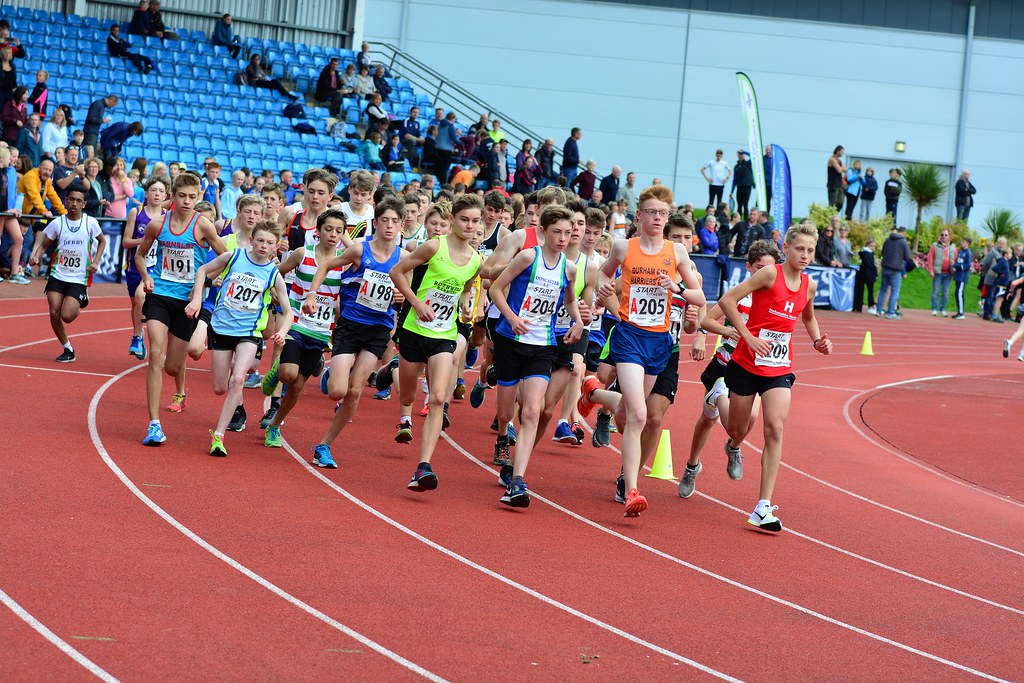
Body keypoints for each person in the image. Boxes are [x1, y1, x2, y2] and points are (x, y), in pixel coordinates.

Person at [592, 185, 705, 516]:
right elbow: (603, 274)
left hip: (660, 343)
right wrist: (602, 289)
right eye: (652, 212)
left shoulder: (677, 252)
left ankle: (594, 394)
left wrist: (678, 288)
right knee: (640, 415)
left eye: (663, 213)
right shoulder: (623, 247)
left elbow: (699, 297)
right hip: (629, 337)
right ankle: (631, 489)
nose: (657, 218)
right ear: (638, 215)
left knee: (630, 412)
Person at [716, 223, 833, 532]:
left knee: (775, 429)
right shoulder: (769, 274)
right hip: (746, 362)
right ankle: (721, 406)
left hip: (779, 366)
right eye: (800, 249)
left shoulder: (809, 285)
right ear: (786, 248)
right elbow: (728, 301)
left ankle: (762, 506)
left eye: (810, 250)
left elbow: (808, 317)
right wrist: (747, 336)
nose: (805, 255)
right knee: (737, 428)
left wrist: (818, 341)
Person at [292, 200, 404, 464]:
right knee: (336, 392)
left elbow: (406, 291)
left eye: (394, 222)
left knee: (354, 392)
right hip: (351, 326)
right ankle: (332, 372)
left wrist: (401, 297)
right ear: (375, 223)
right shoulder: (359, 250)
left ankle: (324, 446)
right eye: (384, 221)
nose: (389, 226)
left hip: (379, 329)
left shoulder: (404, 257)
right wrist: (312, 293)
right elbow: (325, 266)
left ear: (401, 226)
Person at [487, 204, 583, 506]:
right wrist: (512, 317)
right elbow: (495, 289)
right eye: (557, 232)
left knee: (532, 410)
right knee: (506, 413)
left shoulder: (569, 268)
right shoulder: (528, 257)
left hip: (543, 345)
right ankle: (503, 436)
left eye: (567, 233)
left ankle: (516, 480)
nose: (563, 238)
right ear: (543, 231)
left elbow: (569, 300)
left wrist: (578, 320)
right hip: (510, 340)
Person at [389, 194, 483, 491]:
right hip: (414, 329)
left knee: (438, 399)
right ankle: (392, 370)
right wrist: (416, 303)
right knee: (407, 396)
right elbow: (396, 272)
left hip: (444, 334)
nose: (470, 226)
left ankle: (423, 467)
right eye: (464, 219)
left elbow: (465, 287)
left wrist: (465, 304)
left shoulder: (476, 260)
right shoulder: (433, 246)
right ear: (452, 219)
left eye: (475, 221)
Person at [677, 238, 780, 498]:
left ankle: (733, 446)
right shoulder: (739, 295)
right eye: (760, 268)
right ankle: (692, 466)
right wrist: (729, 332)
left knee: (751, 418)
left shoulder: (777, 300)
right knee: (708, 420)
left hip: (757, 367)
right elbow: (707, 321)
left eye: (770, 268)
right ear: (749, 267)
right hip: (726, 364)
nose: (765, 273)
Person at [133, 171, 227, 446]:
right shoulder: (157, 225)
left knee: (173, 367)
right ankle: (154, 424)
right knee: (156, 355)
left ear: (198, 198)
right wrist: (146, 276)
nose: (187, 201)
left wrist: (205, 281)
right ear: (172, 196)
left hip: (187, 302)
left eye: (192, 197)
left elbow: (225, 257)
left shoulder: (203, 225)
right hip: (160, 296)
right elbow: (140, 255)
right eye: (182, 196)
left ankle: (177, 384)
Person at [185, 220, 290, 457]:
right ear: (251, 240)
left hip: (249, 333)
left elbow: (289, 310)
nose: (263, 246)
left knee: (238, 379)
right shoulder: (234, 256)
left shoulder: (273, 273)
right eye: (260, 240)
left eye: (269, 243)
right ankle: (234, 403)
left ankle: (219, 435)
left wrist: (282, 332)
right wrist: (198, 298)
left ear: (275, 247)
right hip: (222, 328)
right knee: (220, 388)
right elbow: (202, 271)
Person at [28, 185, 104, 362]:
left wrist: (95, 262)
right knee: (54, 312)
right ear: (66, 201)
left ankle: (82, 298)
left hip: (79, 277)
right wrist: (36, 255)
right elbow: (44, 245)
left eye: (78, 201)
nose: (74, 204)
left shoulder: (90, 223)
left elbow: (102, 241)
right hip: (58, 274)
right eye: (71, 200)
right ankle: (67, 348)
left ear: (84, 204)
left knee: (67, 316)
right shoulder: (58, 223)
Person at [122, 174, 167, 359]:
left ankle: (136, 338)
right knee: (136, 305)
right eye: (153, 190)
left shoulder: (167, 217)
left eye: (161, 191)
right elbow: (126, 242)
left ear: (166, 196)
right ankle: (139, 334)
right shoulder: (136, 212)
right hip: (134, 266)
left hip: (154, 267)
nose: (157, 194)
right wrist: (143, 240)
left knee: (141, 296)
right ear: (146, 193)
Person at [877, 226, 912, 320]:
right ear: (904, 233)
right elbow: (907, 257)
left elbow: (882, 252)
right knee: (895, 291)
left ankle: (878, 311)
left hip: (885, 267)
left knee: (883, 289)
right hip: (896, 269)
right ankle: (891, 312)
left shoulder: (888, 240)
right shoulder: (903, 242)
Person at [927, 228, 956, 317]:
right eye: (942, 235)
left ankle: (942, 309)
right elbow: (930, 258)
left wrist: (954, 269)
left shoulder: (953, 247)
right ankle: (934, 309)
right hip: (937, 273)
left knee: (945, 293)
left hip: (948, 274)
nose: (944, 236)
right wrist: (931, 270)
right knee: (935, 291)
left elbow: (956, 258)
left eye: (946, 235)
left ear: (949, 236)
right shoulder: (935, 245)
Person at [103, 157, 133, 221]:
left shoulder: (128, 180)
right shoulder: (109, 179)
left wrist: (123, 180)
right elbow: (108, 197)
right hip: (108, 214)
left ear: (124, 166)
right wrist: (122, 196)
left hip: (121, 215)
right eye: (117, 165)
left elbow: (130, 194)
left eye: (121, 165)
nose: (119, 167)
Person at [852, 239, 877, 314]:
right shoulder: (868, 254)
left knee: (861, 289)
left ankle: (858, 305)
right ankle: (871, 306)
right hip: (869, 274)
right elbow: (871, 265)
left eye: (874, 246)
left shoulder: (864, 253)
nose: (873, 248)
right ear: (867, 246)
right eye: (871, 246)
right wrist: (875, 273)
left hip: (863, 273)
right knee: (870, 291)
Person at [951, 236, 972, 320]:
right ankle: (959, 311)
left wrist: (955, 265)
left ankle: (961, 313)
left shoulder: (968, 253)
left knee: (959, 293)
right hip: (958, 275)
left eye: (963, 241)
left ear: (967, 243)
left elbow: (967, 265)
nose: (962, 243)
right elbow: (959, 261)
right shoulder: (961, 251)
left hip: (962, 277)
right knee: (958, 293)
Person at [730, 150, 755, 221]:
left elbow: (753, 157)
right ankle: (739, 220)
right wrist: (732, 191)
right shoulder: (736, 166)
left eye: (742, 154)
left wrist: (744, 152)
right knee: (739, 205)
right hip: (739, 187)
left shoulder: (748, 164)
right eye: (739, 154)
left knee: (745, 204)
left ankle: (746, 220)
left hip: (747, 186)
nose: (740, 156)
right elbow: (734, 179)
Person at [827, 145, 846, 213]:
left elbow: (845, 169)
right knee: (832, 204)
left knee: (840, 203)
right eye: (842, 152)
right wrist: (841, 168)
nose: (843, 153)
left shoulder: (839, 161)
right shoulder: (832, 159)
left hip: (840, 184)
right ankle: (829, 216)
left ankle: (834, 215)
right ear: (837, 151)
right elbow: (839, 170)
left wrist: (841, 168)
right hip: (833, 185)